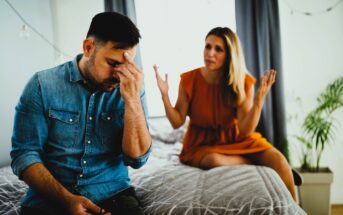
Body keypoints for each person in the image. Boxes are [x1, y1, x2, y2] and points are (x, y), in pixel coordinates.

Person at [11, 12, 151, 215]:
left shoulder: (132, 88)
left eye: (126, 65)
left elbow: (137, 160)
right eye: (112, 63)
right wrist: (66, 199)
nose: (119, 75)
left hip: (113, 194)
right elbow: (24, 155)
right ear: (88, 48)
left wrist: (132, 101)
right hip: (50, 199)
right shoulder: (41, 85)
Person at [154, 27, 297, 201]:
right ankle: (252, 162)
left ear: (229, 54)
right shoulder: (188, 80)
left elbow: (245, 131)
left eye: (218, 49)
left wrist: (259, 101)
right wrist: (165, 96)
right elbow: (177, 122)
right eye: (207, 46)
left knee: (279, 160)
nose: (210, 53)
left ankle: (297, 209)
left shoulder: (243, 82)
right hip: (201, 142)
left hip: (237, 138)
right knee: (214, 160)